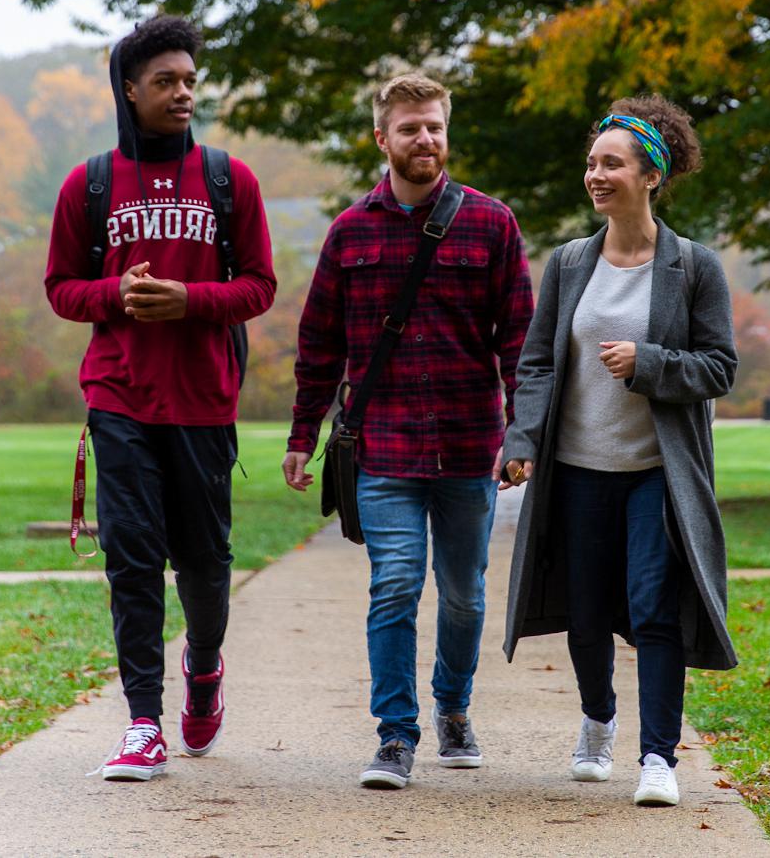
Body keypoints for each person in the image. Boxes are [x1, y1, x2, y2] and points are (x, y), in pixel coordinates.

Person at [43, 14, 277, 782]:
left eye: (190, 80)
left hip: (204, 400)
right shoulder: (91, 183)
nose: (183, 92)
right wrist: (116, 292)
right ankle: (143, 720)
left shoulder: (227, 178)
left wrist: (191, 301)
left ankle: (203, 665)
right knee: (132, 556)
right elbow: (61, 288)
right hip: (119, 396)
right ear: (130, 88)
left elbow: (260, 287)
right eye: (167, 81)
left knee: (205, 565)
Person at [283, 72, 534, 789]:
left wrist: (523, 433)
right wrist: (303, 433)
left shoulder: (492, 223)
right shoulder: (349, 232)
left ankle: (453, 708)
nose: (425, 139)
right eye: (409, 128)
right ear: (381, 138)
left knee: (464, 594)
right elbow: (319, 344)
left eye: (434, 126)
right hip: (383, 445)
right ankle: (395, 734)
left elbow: (519, 338)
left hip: (467, 445)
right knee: (394, 583)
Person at [497, 96, 739, 808]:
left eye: (611, 163)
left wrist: (650, 361)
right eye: (591, 162)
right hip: (576, 469)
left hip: (655, 474)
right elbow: (537, 362)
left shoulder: (694, 267)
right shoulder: (570, 263)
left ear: (651, 175)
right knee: (587, 606)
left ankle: (658, 754)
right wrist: (523, 438)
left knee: (654, 606)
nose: (595, 174)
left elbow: (719, 367)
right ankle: (597, 719)